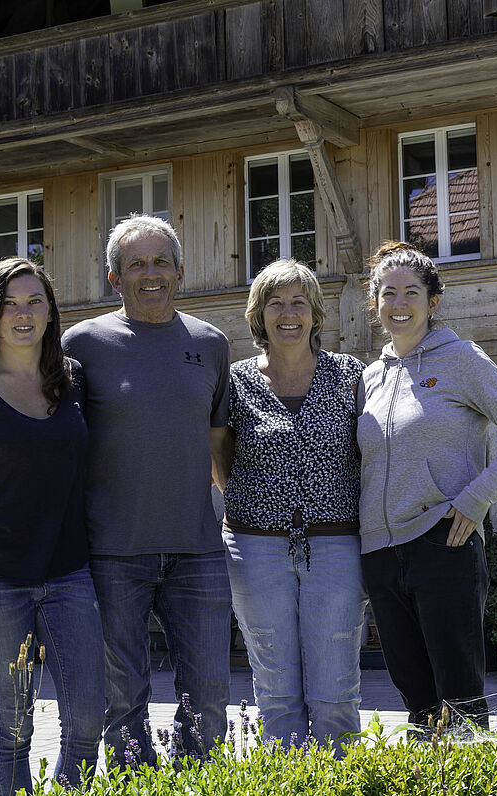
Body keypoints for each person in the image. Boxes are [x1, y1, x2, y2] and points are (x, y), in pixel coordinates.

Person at [61, 215, 232, 767]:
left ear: (181, 272)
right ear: (115, 277)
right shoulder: (82, 345)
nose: (150, 273)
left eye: (161, 262)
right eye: (137, 263)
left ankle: (198, 783)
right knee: (122, 702)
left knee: (207, 699)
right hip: (112, 552)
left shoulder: (211, 345)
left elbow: (217, 443)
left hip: (197, 550)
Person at [356, 241, 497, 736]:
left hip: (444, 542)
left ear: (432, 302)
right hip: (379, 552)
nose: (399, 303)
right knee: (414, 699)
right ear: (374, 304)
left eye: (411, 293)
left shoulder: (462, 359)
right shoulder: (369, 378)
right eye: (387, 293)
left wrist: (477, 498)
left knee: (458, 702)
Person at [0, 258, 104, 795]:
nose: (23, 314)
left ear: (52, 312)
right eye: (9, 304)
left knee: (85, 722)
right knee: (12, 727)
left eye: (34, 302)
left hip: (69, 573)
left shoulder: (73, 381)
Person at [212, 260, 367, 755]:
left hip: (336, 547)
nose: (288, 313)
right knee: (277, 694)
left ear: (315, 312)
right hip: (256, 550)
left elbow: (369, 457)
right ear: (259, 314)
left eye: (299, 301)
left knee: (335, 694)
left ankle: (340, 787)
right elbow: (221, 462)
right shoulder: (235, 383)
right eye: (276, 303)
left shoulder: (349, 375)